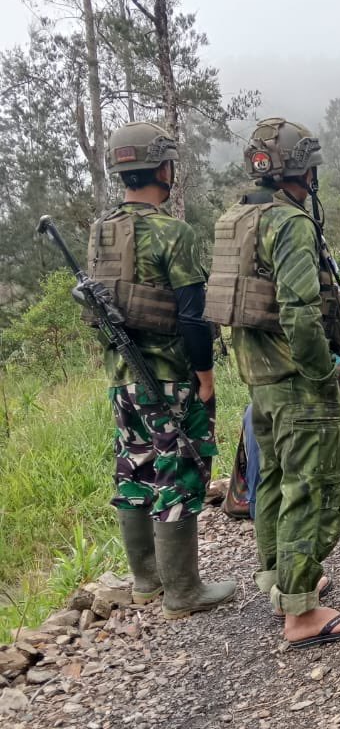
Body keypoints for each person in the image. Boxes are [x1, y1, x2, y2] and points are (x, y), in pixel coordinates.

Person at [210, 117, 340, 649]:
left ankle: (283, 580)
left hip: (260, 382)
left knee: (275, 485)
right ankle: (301, 613)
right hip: (301, 382)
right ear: (299, 168)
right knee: (313, 488)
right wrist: (325, 373)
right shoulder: (290, 223)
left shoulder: (234, 219)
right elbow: (301, 313)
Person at [88, 122, 235, 621]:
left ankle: (147, 581)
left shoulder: (101, 230)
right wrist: (205, 374)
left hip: (121, 377)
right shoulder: (173, 232)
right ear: (163, 168)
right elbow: (193, 313)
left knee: (134, 467)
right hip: (169, 374)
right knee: (178, 470)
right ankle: (183, 592)